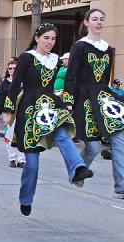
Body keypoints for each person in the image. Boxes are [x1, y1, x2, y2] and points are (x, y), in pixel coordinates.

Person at [4, 23, 93, 216]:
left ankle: (77, 168)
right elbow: (14, 85)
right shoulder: (27, 58)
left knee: (63, 136)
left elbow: (70, 80)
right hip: (29, 110)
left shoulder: (56, 60)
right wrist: (8, 110)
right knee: (32, 163)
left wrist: (68, 102)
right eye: (46, 38)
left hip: (51, 105)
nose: (50, 42)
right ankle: (26, 199)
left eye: (53, 39)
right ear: (36, 37)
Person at [64, 9, 124, 198]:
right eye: (95, 19)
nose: (99, 22)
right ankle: (77, 171)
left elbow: (106, 78)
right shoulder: (79, 46)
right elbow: (71, 76)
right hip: (83, 99)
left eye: (101, 19)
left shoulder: (107, 48)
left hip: (103, 98)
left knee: (119, 139)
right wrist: (68, 102)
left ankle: (121, 186)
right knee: (93, 148)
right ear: (87, 22)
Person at [0, 60, 25, 168]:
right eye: (10, 68)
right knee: (9, 136)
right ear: (7, 70)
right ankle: (12, 158)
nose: (12, 70)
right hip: (8, 113)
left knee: (22, 135)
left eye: (14, 68)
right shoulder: (5, 83)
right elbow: (0, 99)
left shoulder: (24, 81)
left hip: (22, 112)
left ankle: (21, 160)